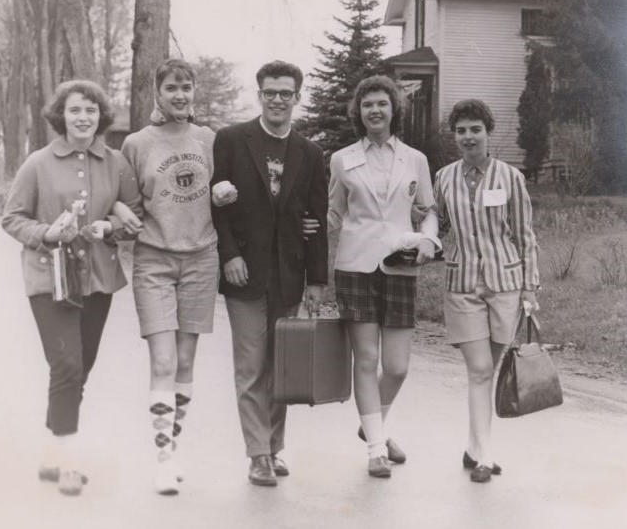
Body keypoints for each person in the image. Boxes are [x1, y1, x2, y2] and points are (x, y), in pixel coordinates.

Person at [2, 80, 142, 496]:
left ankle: (51, 456)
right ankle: (64, 462)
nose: (83, 118)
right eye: (75, 110)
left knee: (79, 371)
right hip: (51, 279)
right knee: (66, 367)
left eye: (91, 111)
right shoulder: (38, 163)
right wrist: (47, 232)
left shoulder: (114, 162)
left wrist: (111, 225)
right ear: (61, 116)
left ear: (101, 117)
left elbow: (135, 210)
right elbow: (12, 218)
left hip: (97, 279)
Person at [211, 60, 329, 487]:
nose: (277, 100)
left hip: (290, 275)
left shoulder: (311, 153)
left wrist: (317, 279)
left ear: (297, 97)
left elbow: (317, 216)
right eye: (270, 92)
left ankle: (275, 447)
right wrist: (229, 255)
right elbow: (217, 207)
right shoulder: (231, 140)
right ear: (259, 94)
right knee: (250, 365)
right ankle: (257, 453)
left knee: (282, 365)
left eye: (285, 93)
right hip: (243, 273)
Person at [327, 75, 440, 479]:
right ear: (358, 112)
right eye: (367, 104)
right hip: (355, 265)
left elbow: (428, 209)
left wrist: (428, 239)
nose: (375, 110)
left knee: (396, 367)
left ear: (394, 109)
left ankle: (371, 420)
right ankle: (376, 446)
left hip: (399, 265)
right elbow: (334, 213)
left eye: (382, 103)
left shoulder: (415, 159)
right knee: (367, 359)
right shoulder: (342, 159)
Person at [119, 59, 220, 495]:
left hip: (201, 257)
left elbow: (226, 191)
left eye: (186, 87)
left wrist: (224, 194)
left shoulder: (209, 140)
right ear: (157, 92)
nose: (180, 94)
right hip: (154, 260)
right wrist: (119, 211)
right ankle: (163, 458)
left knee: (183, 362)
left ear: (194, 91)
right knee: (161, 361)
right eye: (172, 88)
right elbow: (122, 200)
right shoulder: (137, 144)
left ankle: (172, 447)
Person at [432, 99, 540, 483]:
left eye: (475, 129)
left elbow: (524, 235)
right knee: (478, 369)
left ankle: (475, 446)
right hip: (462, 285)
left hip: (505, 285)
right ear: (454, 135)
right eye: (460, 130)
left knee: (488, 370)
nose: (467, 137)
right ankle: (483, 456)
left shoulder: (510, 178)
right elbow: (437, 223)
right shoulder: (443, 177)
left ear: (487, 132)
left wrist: (530, 287)